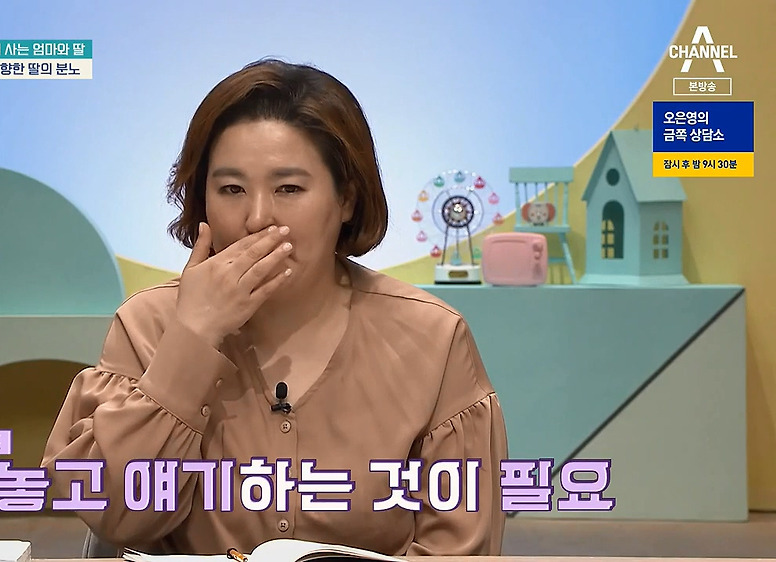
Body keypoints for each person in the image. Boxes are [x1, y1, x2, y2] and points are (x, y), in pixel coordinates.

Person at [41, 58, 508, 556]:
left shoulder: (432, 337)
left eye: (289, 189)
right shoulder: (147, 324)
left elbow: (458, 549)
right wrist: (192, 338)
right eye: (231, 189)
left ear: (346, 200)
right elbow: (117, 516)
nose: (257, 218)